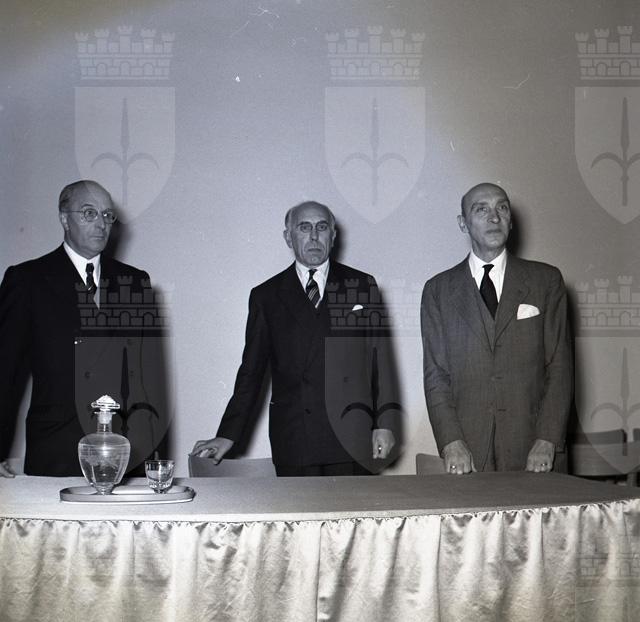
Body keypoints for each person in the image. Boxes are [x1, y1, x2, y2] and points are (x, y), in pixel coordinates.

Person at [193, 201, 400, 476]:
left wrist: (385, 423)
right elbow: (251, 373)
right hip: (295, 438)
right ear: (288, 237)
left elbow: (381, 363)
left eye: (321, 227)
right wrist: (227, 434)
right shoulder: (266, 296)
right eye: (304, 228)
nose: (314, 236)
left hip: (352, 436)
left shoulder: (362, 285)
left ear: (333, 236)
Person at [0, 180, 167, 477]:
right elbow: (4, 373)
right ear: (64, 218)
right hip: (57, 449)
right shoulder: (27, 280)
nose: (101, 224)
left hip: (127, 452)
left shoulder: (135, 281)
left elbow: (150, 379)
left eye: (107, 215)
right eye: (89, 213)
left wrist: (154, 455)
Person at [421, 183, 572, 475]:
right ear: (463, 223)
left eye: (502, 208)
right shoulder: (438, 290)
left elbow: (560, 367)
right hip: (467, 453)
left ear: (511, 220)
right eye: (481, 209)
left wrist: (547, 439)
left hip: (536, 450)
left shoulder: (546, 280)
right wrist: (451, 442)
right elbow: (436, 376)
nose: (494, 217)